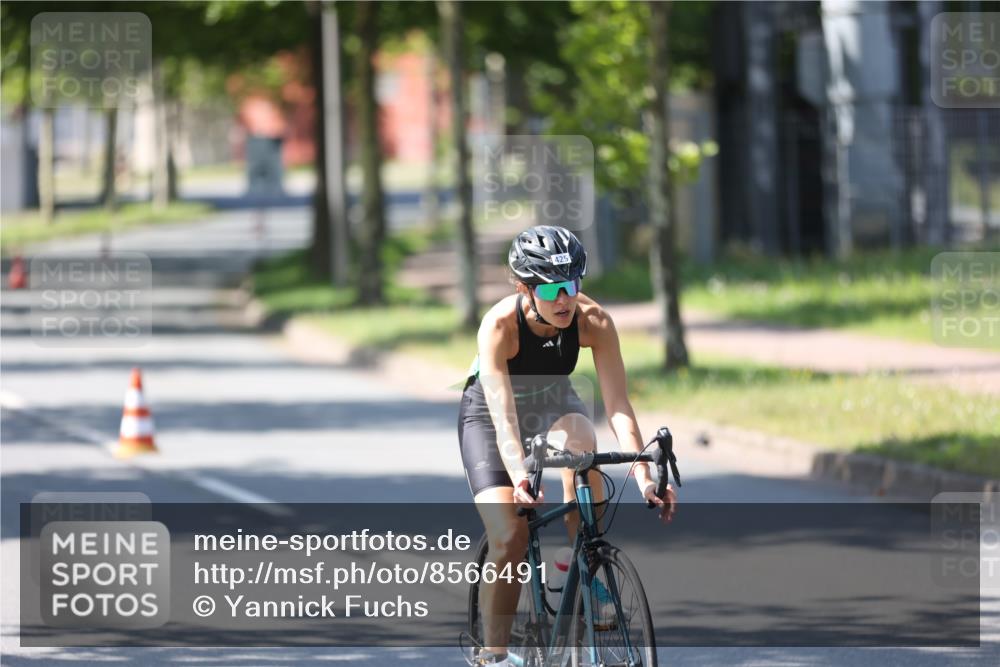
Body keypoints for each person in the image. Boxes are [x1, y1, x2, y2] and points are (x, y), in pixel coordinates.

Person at [457, 225, 678, 666]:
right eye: (553, 289)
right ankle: (494, 654)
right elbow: (503, 421)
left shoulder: (592, 320)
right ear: (524, 288)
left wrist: (645, 476)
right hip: (491, 413)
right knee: (511, 534)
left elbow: (618, 406)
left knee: (584, 442)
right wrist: (520, 476)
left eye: (572, 285)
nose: (564, 299)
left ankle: (586, 562)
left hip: (554, 398)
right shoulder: (500, 325)